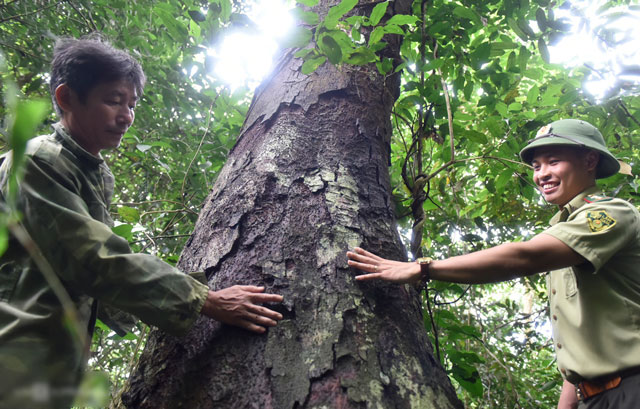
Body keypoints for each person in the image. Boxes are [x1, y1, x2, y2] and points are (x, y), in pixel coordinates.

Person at [0, 36, 283, 409]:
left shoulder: (91, 173)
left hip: (49, 367)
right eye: (113, 100)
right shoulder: (40, 160)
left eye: (132, 104)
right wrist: (204, 301)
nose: (126, 116)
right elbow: (93, 259)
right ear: (66, 98)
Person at [347, 118, 640, 409]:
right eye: (537, 167)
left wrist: (423, 267)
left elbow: (525, 257)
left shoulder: (611, 214)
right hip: (595, 397)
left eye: (553, 162)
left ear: (590, 161)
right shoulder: (563, 236)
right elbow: (580, 345)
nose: (542, 175)